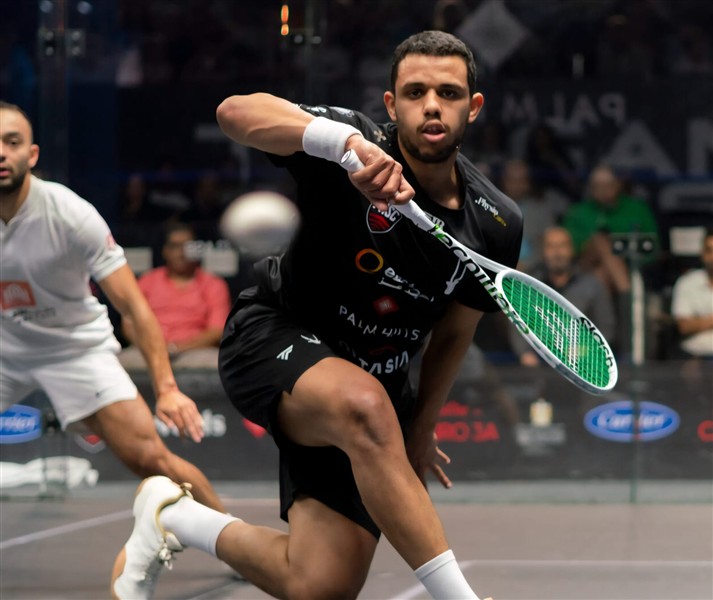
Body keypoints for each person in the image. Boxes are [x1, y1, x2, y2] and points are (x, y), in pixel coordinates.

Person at [111, 31, 519, 600]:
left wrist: (421, 428)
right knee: (365, 406)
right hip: (273, 337)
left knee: (319, 584)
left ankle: (174, 518)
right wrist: (340, 144)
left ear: (472, 108)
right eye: (415, 92)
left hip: (372, 391)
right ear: (391, 103)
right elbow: (235, 113)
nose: (431, 105)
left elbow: (455, 332)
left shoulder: (496, 223)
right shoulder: (353, 143)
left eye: (448, 93)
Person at [0, 101, 224, 513]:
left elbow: (134, 306)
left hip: (74, 350)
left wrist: (167, 389)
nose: (1, 152)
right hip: (5, 351)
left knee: (151, 459)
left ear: (31, 155)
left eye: (11, 142)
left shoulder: (70, 214)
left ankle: (232, 537)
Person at [119, 222, 231, 370]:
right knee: (120, 362)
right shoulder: (147, 281)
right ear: (165, 251)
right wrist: (154, 347)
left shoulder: (213, 284)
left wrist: (177, 348)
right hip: (149, 350)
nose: (181, 252)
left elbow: (217, 330)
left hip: (196, 352)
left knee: (215, 363)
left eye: (187, 247)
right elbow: (129, 324)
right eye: (175, 246)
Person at [509, 226, 616, 366]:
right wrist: (524, 353)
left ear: (571, 250)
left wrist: (585, 352)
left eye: (562, 246)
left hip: (584, 366)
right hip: (537, 365)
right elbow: (517, 322)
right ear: (543, 251)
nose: (557, 253)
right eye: (551, 246)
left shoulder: (592, 285)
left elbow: (606, 327)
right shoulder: (528, 285)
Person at [562, 163, 659, 295]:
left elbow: (653, 246)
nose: (603, 190)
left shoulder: (637, 209)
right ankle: (627, 296)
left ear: (618, 185)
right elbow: (569, 248)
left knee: (603, 272)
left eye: (608, 185)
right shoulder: (578, 212)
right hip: (583, 266)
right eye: (597, 186)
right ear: (590, 188)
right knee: (600, 241)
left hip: (629, 267)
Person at [499, 158, 568, 271]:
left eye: (521, 180)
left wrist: (526, 265)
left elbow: (549, 245)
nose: (516, 185)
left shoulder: (542, 211)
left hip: (536, 271)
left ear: (528, 183)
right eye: (512, 180)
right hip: (498, 269)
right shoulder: (491, 208)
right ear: (504, 181)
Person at [670, 228, 713, 359]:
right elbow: (684, 326)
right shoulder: (687, 282)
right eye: (709, 251)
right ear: (702, 254)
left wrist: (700, 322)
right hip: (695, 355)